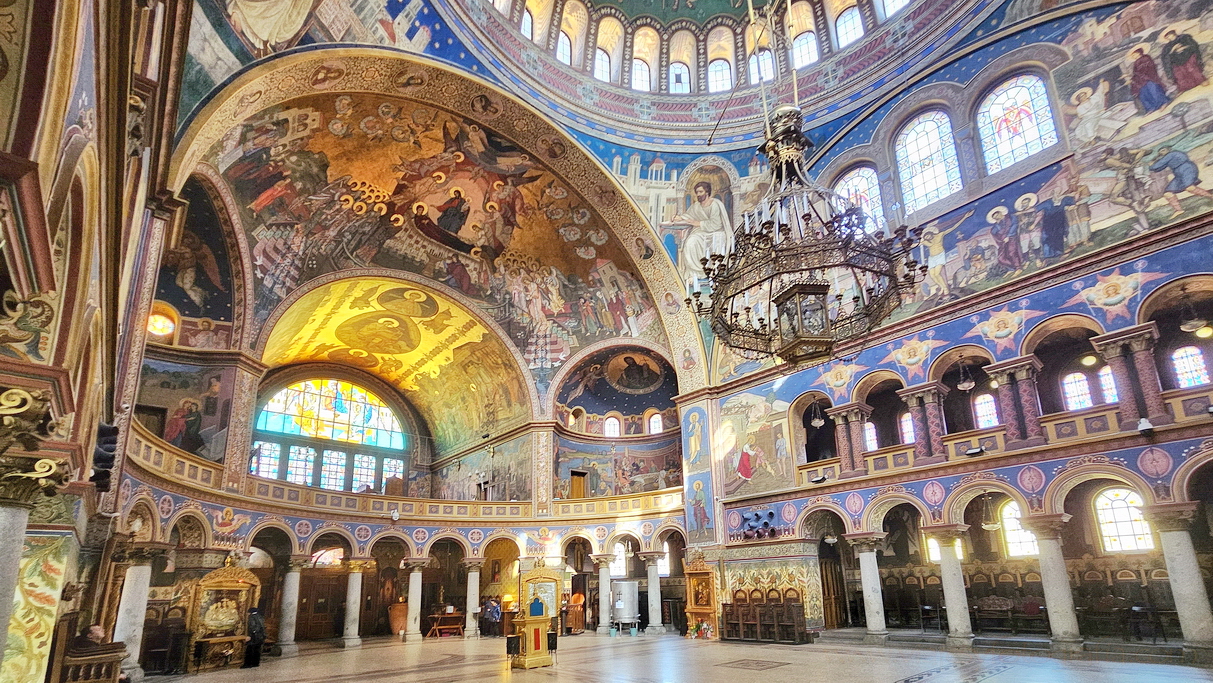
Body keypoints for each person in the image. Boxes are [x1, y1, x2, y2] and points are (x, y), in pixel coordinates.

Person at [670, 181, 734, 282]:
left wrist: (697, 223)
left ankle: (714, 270)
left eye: (700, 192)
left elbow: (716, 224)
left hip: (716, 231)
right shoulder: (696, 206)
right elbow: (688, 216)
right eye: (697, 192)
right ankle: (696, 272)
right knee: (690, 243)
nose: (698, 194)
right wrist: (679, 218)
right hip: (701, 232)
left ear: (707, 192)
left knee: (717, 240)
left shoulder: (715, 204)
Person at [1150, 145, 1213, 218]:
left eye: (1163, 150)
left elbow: (1155, 167)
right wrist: (1154, 163)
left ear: (1169, 149)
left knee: (1190, 188)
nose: (1161, 152)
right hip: (1178, 174)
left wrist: (1152, 163)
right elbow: (1158, 169)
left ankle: (1211, 196)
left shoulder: (1172, 154)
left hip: (1187, 170)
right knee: (1167, 193)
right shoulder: (1168, 158)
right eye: (1160, 152)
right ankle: (1178, 210)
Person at [1127, 46, 1170, 113]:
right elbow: (1136, 73)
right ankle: (1151, 108)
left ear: (1138, 53)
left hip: (1150, 78)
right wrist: (1132, 78)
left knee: (1154, 91)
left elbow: (1149, 68)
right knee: (1143, 94)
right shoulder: (1135, 63)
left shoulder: (1146, 58)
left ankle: (1163, 103)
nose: (1134, 56)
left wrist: (1141, 75)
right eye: (1132, 55)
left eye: (1134, 54)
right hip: (1141, 81)